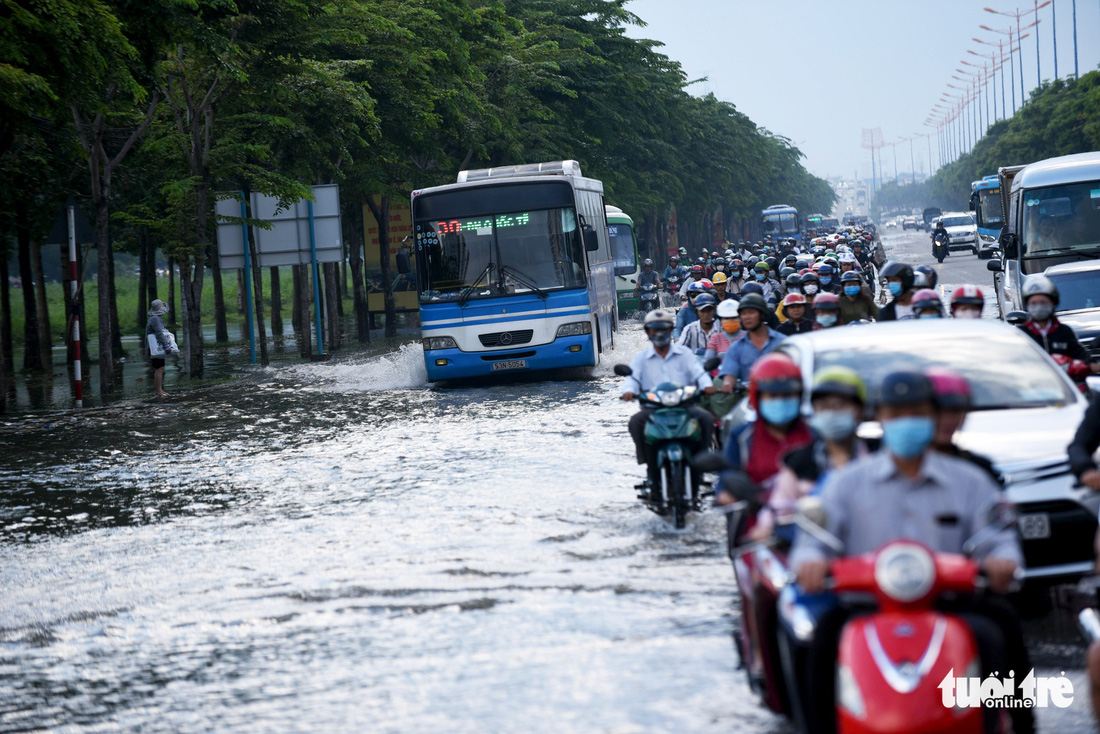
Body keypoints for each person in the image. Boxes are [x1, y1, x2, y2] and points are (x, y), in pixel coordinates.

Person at [792, 370, 1031, 734]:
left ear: (933, 416)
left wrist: (1002, 561)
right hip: (867, 606)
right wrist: (810, 563)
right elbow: (814, 540)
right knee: (820, 639)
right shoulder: (846, 483)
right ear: (880, 418)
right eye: (896, 413)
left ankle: (1020, 725)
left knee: (997, 631)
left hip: (951, 604)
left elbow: (997, 536)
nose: (906, 422)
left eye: (917, 412)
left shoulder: (970, 480)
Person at [751, 366, 873, 541]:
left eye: (840, 405)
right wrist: (766, 527)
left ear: (859, 410)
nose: (831, 413)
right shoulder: (798, 462)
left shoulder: (879, 457)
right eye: (823, 406)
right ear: (815, 412)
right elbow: (779, 509)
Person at [621, 309, 716, 491]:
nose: (659, 333)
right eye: (654, 329)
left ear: (671, 330)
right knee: (635, 422)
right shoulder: (641, 359)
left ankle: (702, 461)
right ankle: (649, 464)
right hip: (653, 409)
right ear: (648, 332)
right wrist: (629, 392)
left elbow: (699, 373)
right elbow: (631, 379)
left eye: (663, 329)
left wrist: (706, 386)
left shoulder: (685, 354)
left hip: (685, 406)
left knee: (706, 418)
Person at [716, 353, 813, 505]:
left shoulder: (813, 434)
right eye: (772, 396)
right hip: (755, 520)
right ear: (758, 397)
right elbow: (725, 484)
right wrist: (728, 495)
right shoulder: (742, 437)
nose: (780, 401)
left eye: (788, 395)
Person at [926, 367, 999, 483]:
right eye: (938, 412)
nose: (947, 420)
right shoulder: (899, 467)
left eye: (955, 411)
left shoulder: (979, 468)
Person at [1018, 274, 1100, 371]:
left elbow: (1086, 361)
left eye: (1043, 302)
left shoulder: (1064, 332)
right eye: (1034, 303)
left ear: (1053, 303)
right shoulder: (1020, 334)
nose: (1039, 306)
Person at [718, 294, 786, 395]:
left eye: (751, 312)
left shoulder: (783, 342)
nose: (747, 317)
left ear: (762, 314)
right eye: (743, 313)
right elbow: (729, 374)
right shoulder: (736, 348)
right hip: (748, 401)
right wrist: (728, 383)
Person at [146, 299, 177, 398]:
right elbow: (159, 333)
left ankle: (160, 389)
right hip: (156, 347)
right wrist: (166, 345)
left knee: (161, 368)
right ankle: (158, 391)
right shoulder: (155, 319)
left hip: (156, 347)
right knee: (159, 369)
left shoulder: (154, 318)